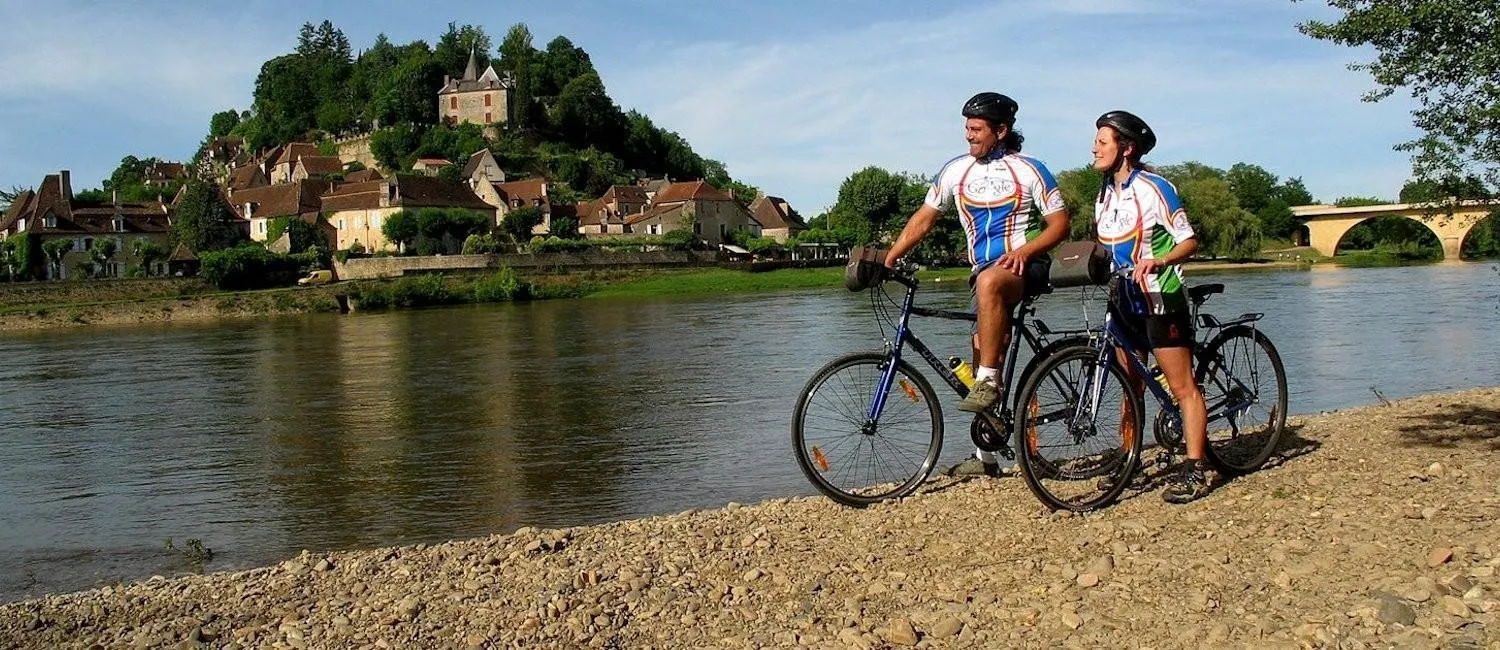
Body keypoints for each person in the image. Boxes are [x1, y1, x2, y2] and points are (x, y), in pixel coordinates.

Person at [884, 92, 1070, 477]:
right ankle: (986, 455)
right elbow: (924, 219)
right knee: (980, 346)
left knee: (988, 295)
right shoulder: (956, 171)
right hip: (982, 273)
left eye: (976, 129)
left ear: (1001, 131)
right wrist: (890, 255)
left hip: (1025, 265)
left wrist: (1025, 251)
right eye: (966, 128)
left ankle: (989, 381)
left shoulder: (1030, 170)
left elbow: (1060, 225)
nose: (968, 135)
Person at [1091, 110, 1211, 504]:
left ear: (1126, 148)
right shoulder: (1104, 192)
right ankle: (1130, 458)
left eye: (1102, 141)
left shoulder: (1156, 187)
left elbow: (1188, 241)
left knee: (1182, 387)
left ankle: (1196, 467)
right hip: (1122, 297)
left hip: (1160, 294)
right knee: (1132, 386)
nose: (1094, 147)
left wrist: (1161, 260)